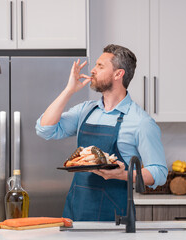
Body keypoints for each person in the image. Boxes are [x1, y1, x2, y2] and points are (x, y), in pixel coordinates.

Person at [35, 44, 168, 221]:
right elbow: (45, 129)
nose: (93, 70)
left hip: (114, 219)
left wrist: (120, 174)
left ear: (118, 74)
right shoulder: (85, 111)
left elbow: (159, 172)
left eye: (100, 66)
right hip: (75, 214)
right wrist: (69, 90)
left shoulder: (141, 122)